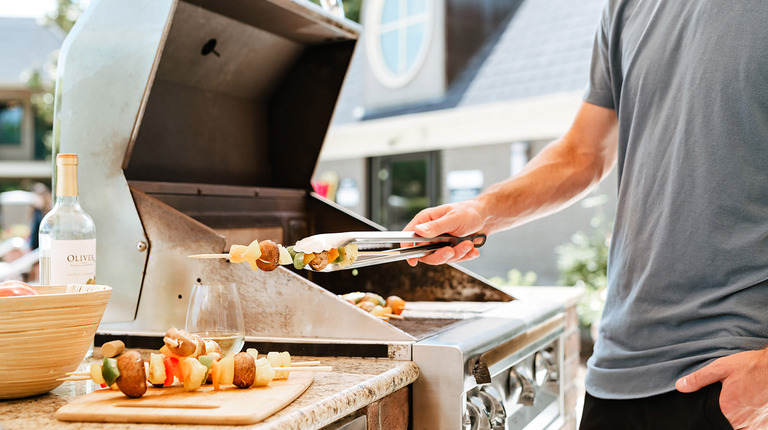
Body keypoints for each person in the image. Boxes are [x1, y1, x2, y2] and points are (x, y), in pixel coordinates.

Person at [403, 1, 768, 429]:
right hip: (615, 377)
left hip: (733, 378)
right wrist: (481, 210)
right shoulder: (626, 7)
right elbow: (583, 153)